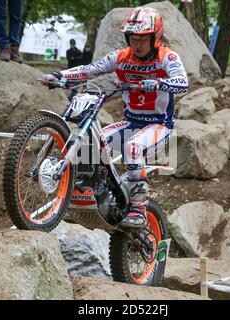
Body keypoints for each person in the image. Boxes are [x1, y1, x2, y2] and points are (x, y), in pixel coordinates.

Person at [41, 7, 189, 229]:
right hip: (131, 122)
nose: (136, 43)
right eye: (132, 38)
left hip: (159, 124)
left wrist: (159, 83)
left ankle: (139, 205)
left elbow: (183, 82)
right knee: (91, 142)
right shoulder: (121, 57)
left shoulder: (167, 57)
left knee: (133, 148)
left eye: (142, 38)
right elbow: (90, 70)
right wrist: (60, 76)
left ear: (154, 37)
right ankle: (90, 191)